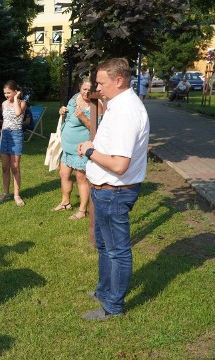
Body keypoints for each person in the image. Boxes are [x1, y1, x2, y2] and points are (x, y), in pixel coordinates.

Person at [77, 58, 149, 320]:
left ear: (118, 80)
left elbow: (119, 164)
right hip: (105, 190)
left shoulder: (127, 111)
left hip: (115, 192)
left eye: (101, 82)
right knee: (105, 247)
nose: (97, 87)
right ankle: (104, 292)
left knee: (117, 250)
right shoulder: (117, 106)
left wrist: (90, 150)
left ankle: (113, 307)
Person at [54, 77, 99, 220]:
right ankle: (65, 202)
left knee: (81, 179)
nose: (86, 92)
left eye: (89, 90)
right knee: (64, 174)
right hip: (67, 147)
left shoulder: (95, 105)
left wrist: (83, 118)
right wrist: (62, 110)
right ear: (80, 88)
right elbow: (67, 115)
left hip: (81, 150)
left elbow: (95, 129)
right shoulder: (74, 98)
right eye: (84, 89)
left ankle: (82, 210)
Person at [0, 80, 27, 206]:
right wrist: (1, 134)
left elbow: (18, 113)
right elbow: (5, 120)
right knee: (4, 167)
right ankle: (5, 192)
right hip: (5, 135)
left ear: (16, 91)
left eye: (9, 93)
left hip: (16, 135)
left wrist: (15, 99)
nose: (6, 95)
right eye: (5, 93)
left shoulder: (22, 103)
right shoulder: (4, 103)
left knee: (15, 167)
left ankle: (16, 195)